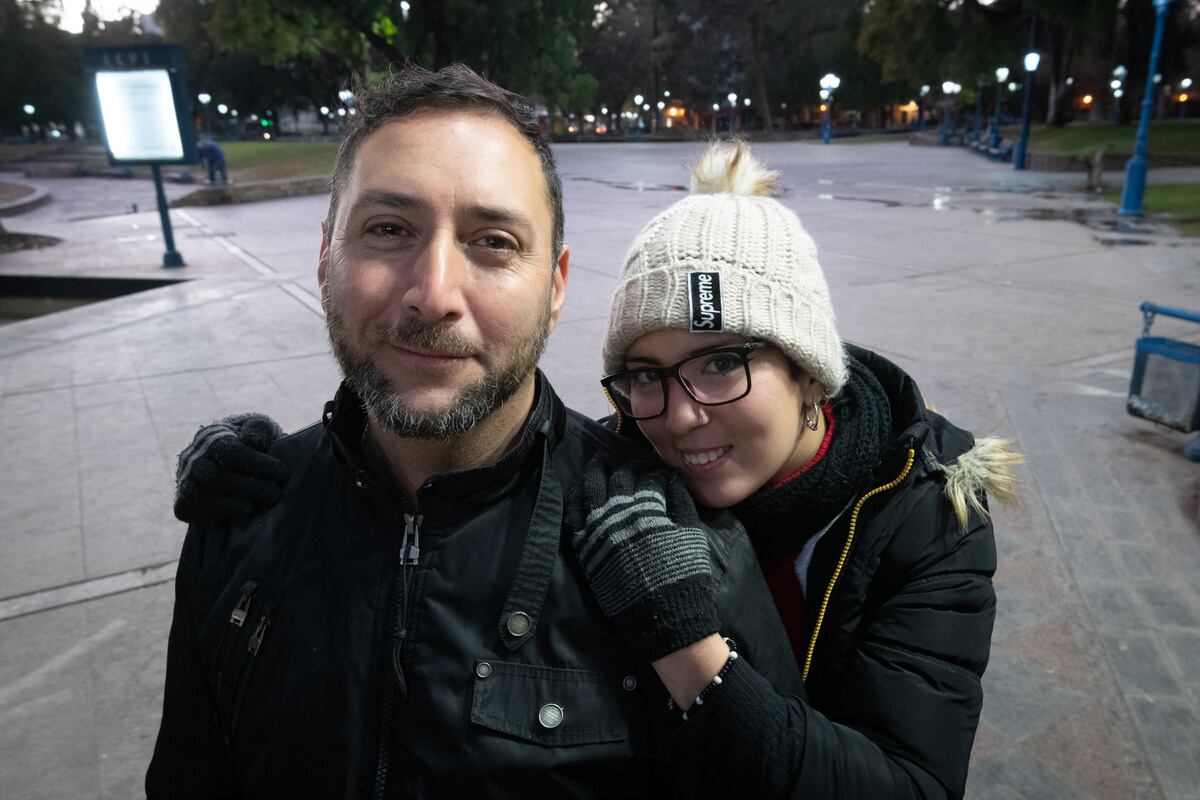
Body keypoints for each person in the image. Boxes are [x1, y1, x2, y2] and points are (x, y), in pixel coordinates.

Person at [176, 140, 1019, 798]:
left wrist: (688, 646)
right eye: (646, 375)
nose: (682, 415)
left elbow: (911, 785)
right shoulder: (627, 470)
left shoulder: (922, 518)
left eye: (722, 364)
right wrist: (283, 475)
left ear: (806, 370)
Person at [146, 65, 800, 799]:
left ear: (555, 288)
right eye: (389, 230)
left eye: (492, 242)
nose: (433, 295)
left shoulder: (672, 549)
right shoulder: (238, 521)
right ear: (326, 258)